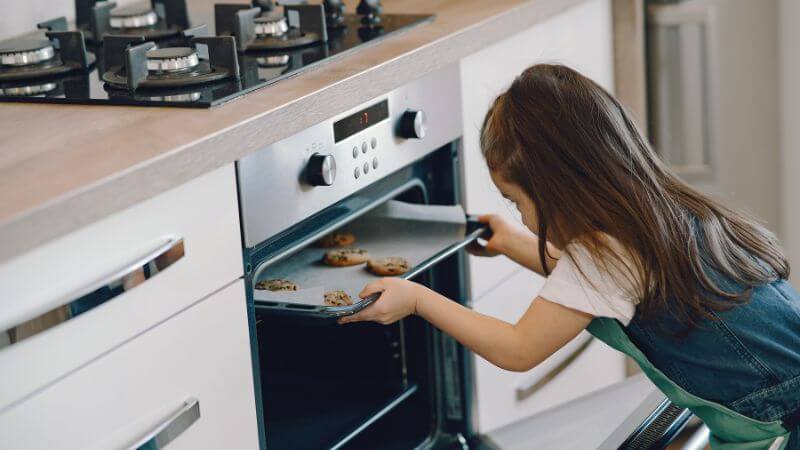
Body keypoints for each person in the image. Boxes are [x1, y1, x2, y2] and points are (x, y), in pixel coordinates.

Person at [338, 64, 800, 449]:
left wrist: (418, 299)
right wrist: (513, 243)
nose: (518, 214)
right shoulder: (660, 214)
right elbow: (595, 290)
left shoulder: (603, 256)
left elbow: (518, 350)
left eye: (517, 201)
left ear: (559, 188)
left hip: (778, 424)